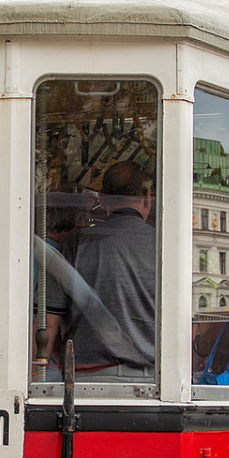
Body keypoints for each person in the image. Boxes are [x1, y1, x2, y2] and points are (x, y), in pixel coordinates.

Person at [46, 161, 158, 380]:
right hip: (151, 383)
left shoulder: (75, 244)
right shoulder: (164, 247)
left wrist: (35, 381)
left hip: (85, 382)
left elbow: (48, 324)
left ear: (102, 199)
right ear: (147, 197)